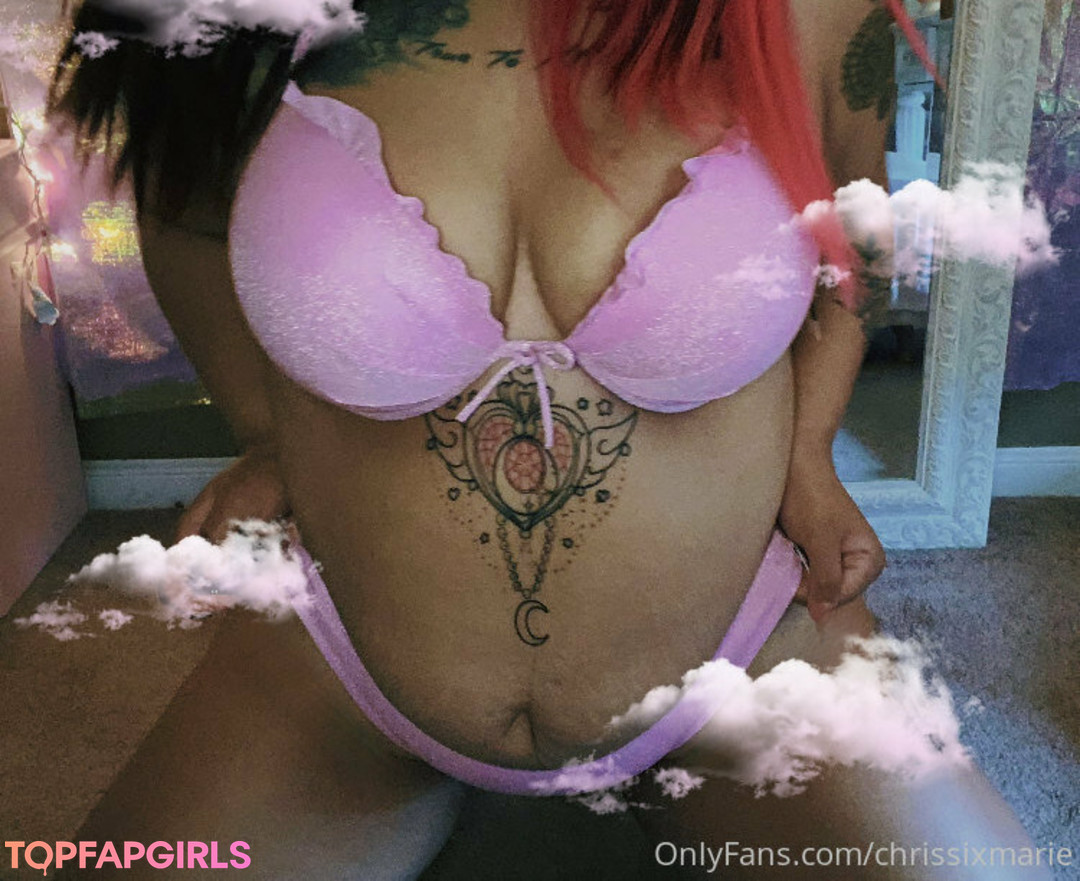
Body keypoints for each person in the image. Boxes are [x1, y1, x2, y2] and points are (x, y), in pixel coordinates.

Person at [49, 1, 1048, 877]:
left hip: (745, 648)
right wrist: (267, 432)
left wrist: (810, 454)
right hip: (339, 655)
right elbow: (179, 205)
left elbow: (854, 239)